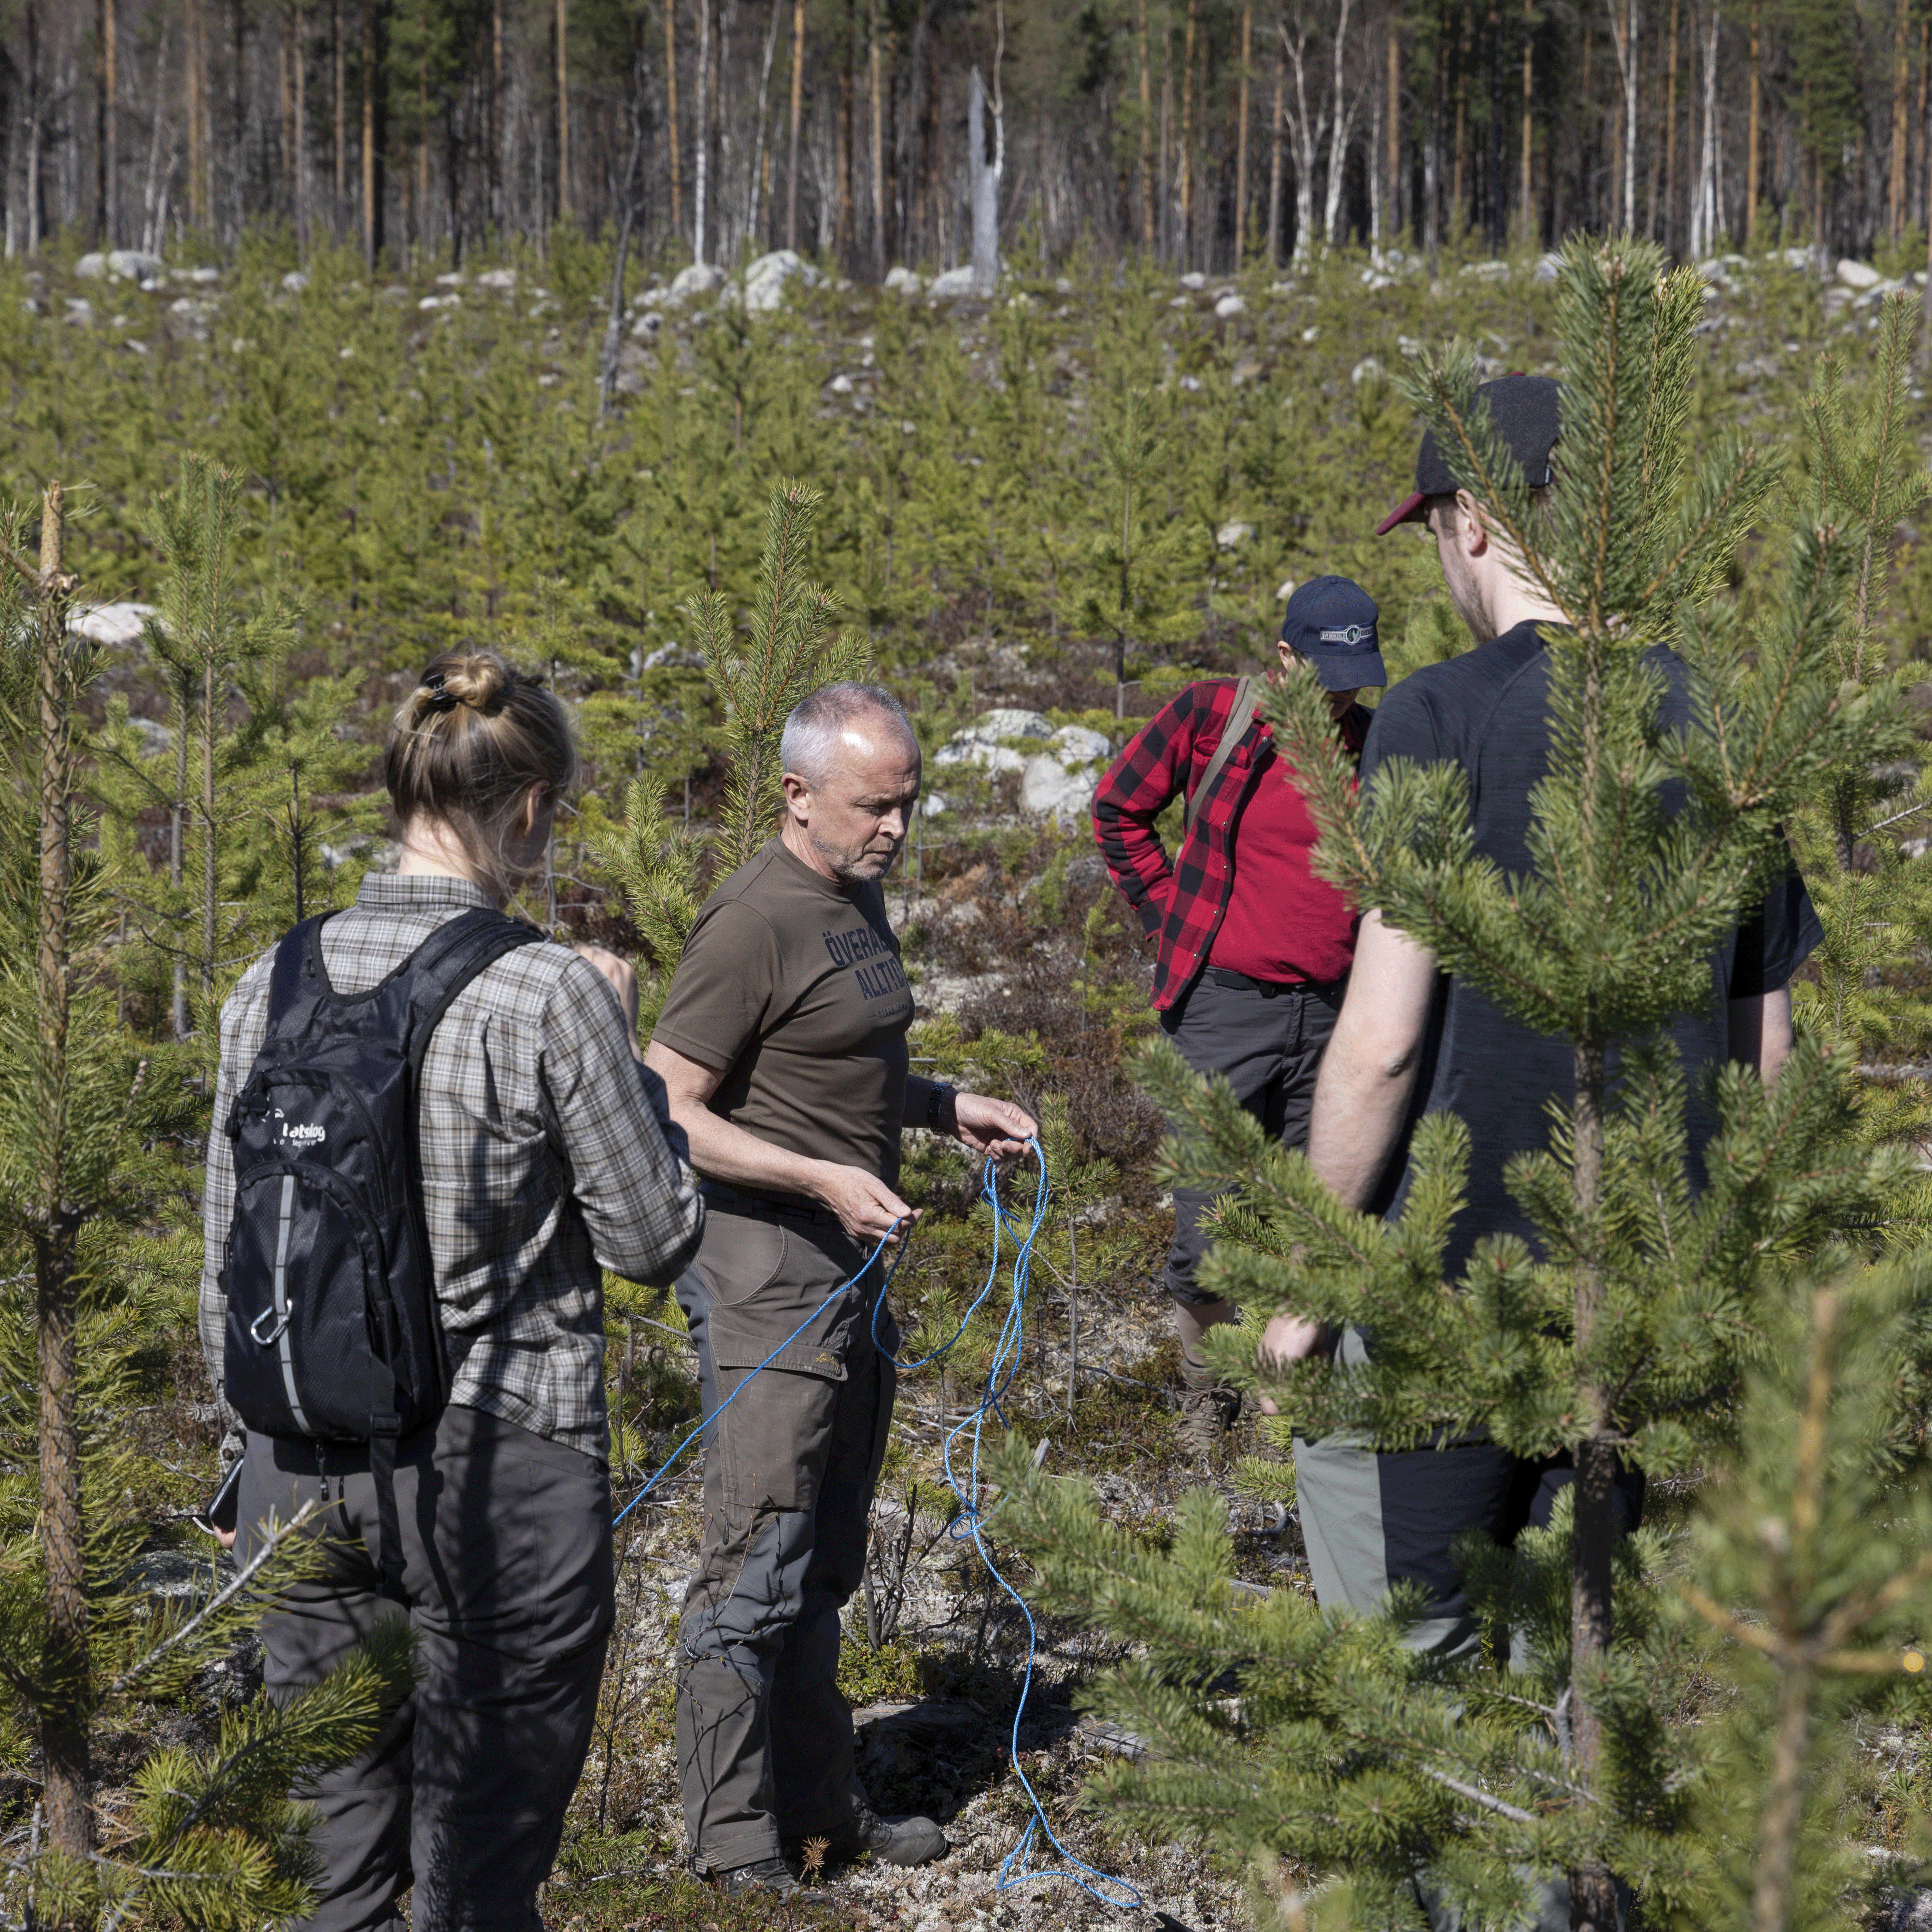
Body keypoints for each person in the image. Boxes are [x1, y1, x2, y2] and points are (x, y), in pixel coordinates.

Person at [1274, 372, 1820, 1656]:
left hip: (1446, 1284)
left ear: (1471, 522)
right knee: (1568, 1666)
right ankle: (1557, 1869)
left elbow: (1383, 1040)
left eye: (1432, 539)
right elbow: (1767, 1050)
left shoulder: (1439, 713)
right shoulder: (1727, 720)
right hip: (1632, 1301)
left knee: (1409, 1649)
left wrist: (1311, 1276)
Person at [199, 652, 704, 1932]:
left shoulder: (266, 983)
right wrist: (633, 1067)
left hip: (292, 1462)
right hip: (502, 1463)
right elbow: (653, 1239)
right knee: (478, 1872)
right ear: (527, 807)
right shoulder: (544, 989)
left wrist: (249, 1453)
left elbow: (227, 1258)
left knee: (336, 1860)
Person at [643, 682, 1038, 1902]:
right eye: (875, 806)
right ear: (797, 794)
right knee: (754, 1563)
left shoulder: (852, 895)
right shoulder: (751, 919)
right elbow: (665, 1103)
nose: (897, 831)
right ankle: (731, 1843)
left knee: (825, 1560)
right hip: (766, 1276)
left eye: (909, 803)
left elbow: (845, 1060)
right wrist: (817, 1173)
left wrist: (936, 1105)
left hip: (852, 1266)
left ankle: (822, 1815)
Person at [1092, 579, 1386, 1457]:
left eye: (1355, 676)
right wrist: (1168, 917)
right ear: (1286, 655)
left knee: (1321, 1219)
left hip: (1340, 1017)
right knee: (1208, 1226)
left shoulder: (1375, 746)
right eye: (1325, 671)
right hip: (1222, 1008)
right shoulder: (1212, 716)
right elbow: (1119, 809)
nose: (1340, 693)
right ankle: (1205, 1399)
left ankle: (1284, 1410)